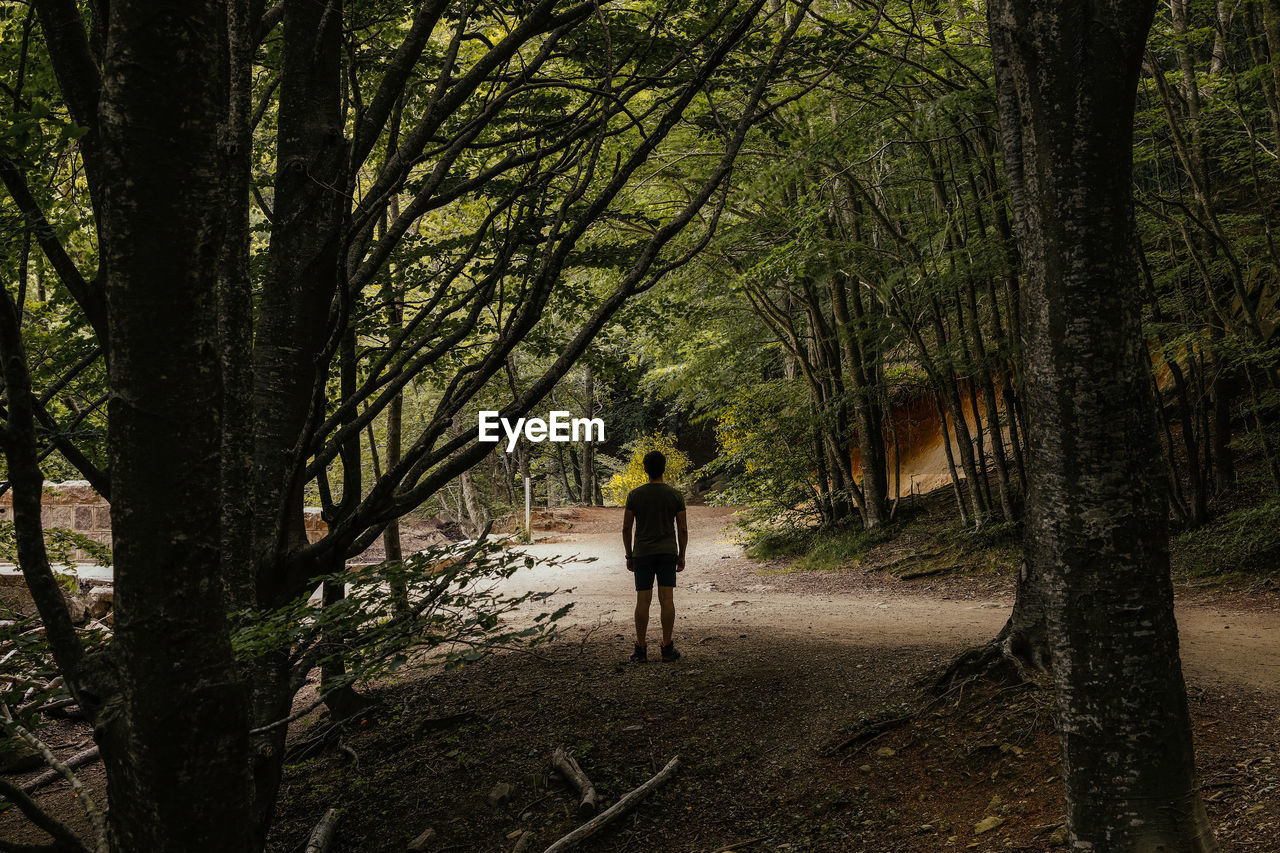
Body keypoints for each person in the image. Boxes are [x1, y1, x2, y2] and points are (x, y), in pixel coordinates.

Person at [621, 450, 688, 663]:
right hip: (668, 552)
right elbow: (683, 528)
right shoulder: (674, 495)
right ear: (664, 468)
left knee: (643, 600)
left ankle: (640, 649)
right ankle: (667, 648)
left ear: (645, 469)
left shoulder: (635, 495)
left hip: (643, 554)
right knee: (666, 600)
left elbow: (626, 528)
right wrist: (682, 555)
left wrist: (629, 555)